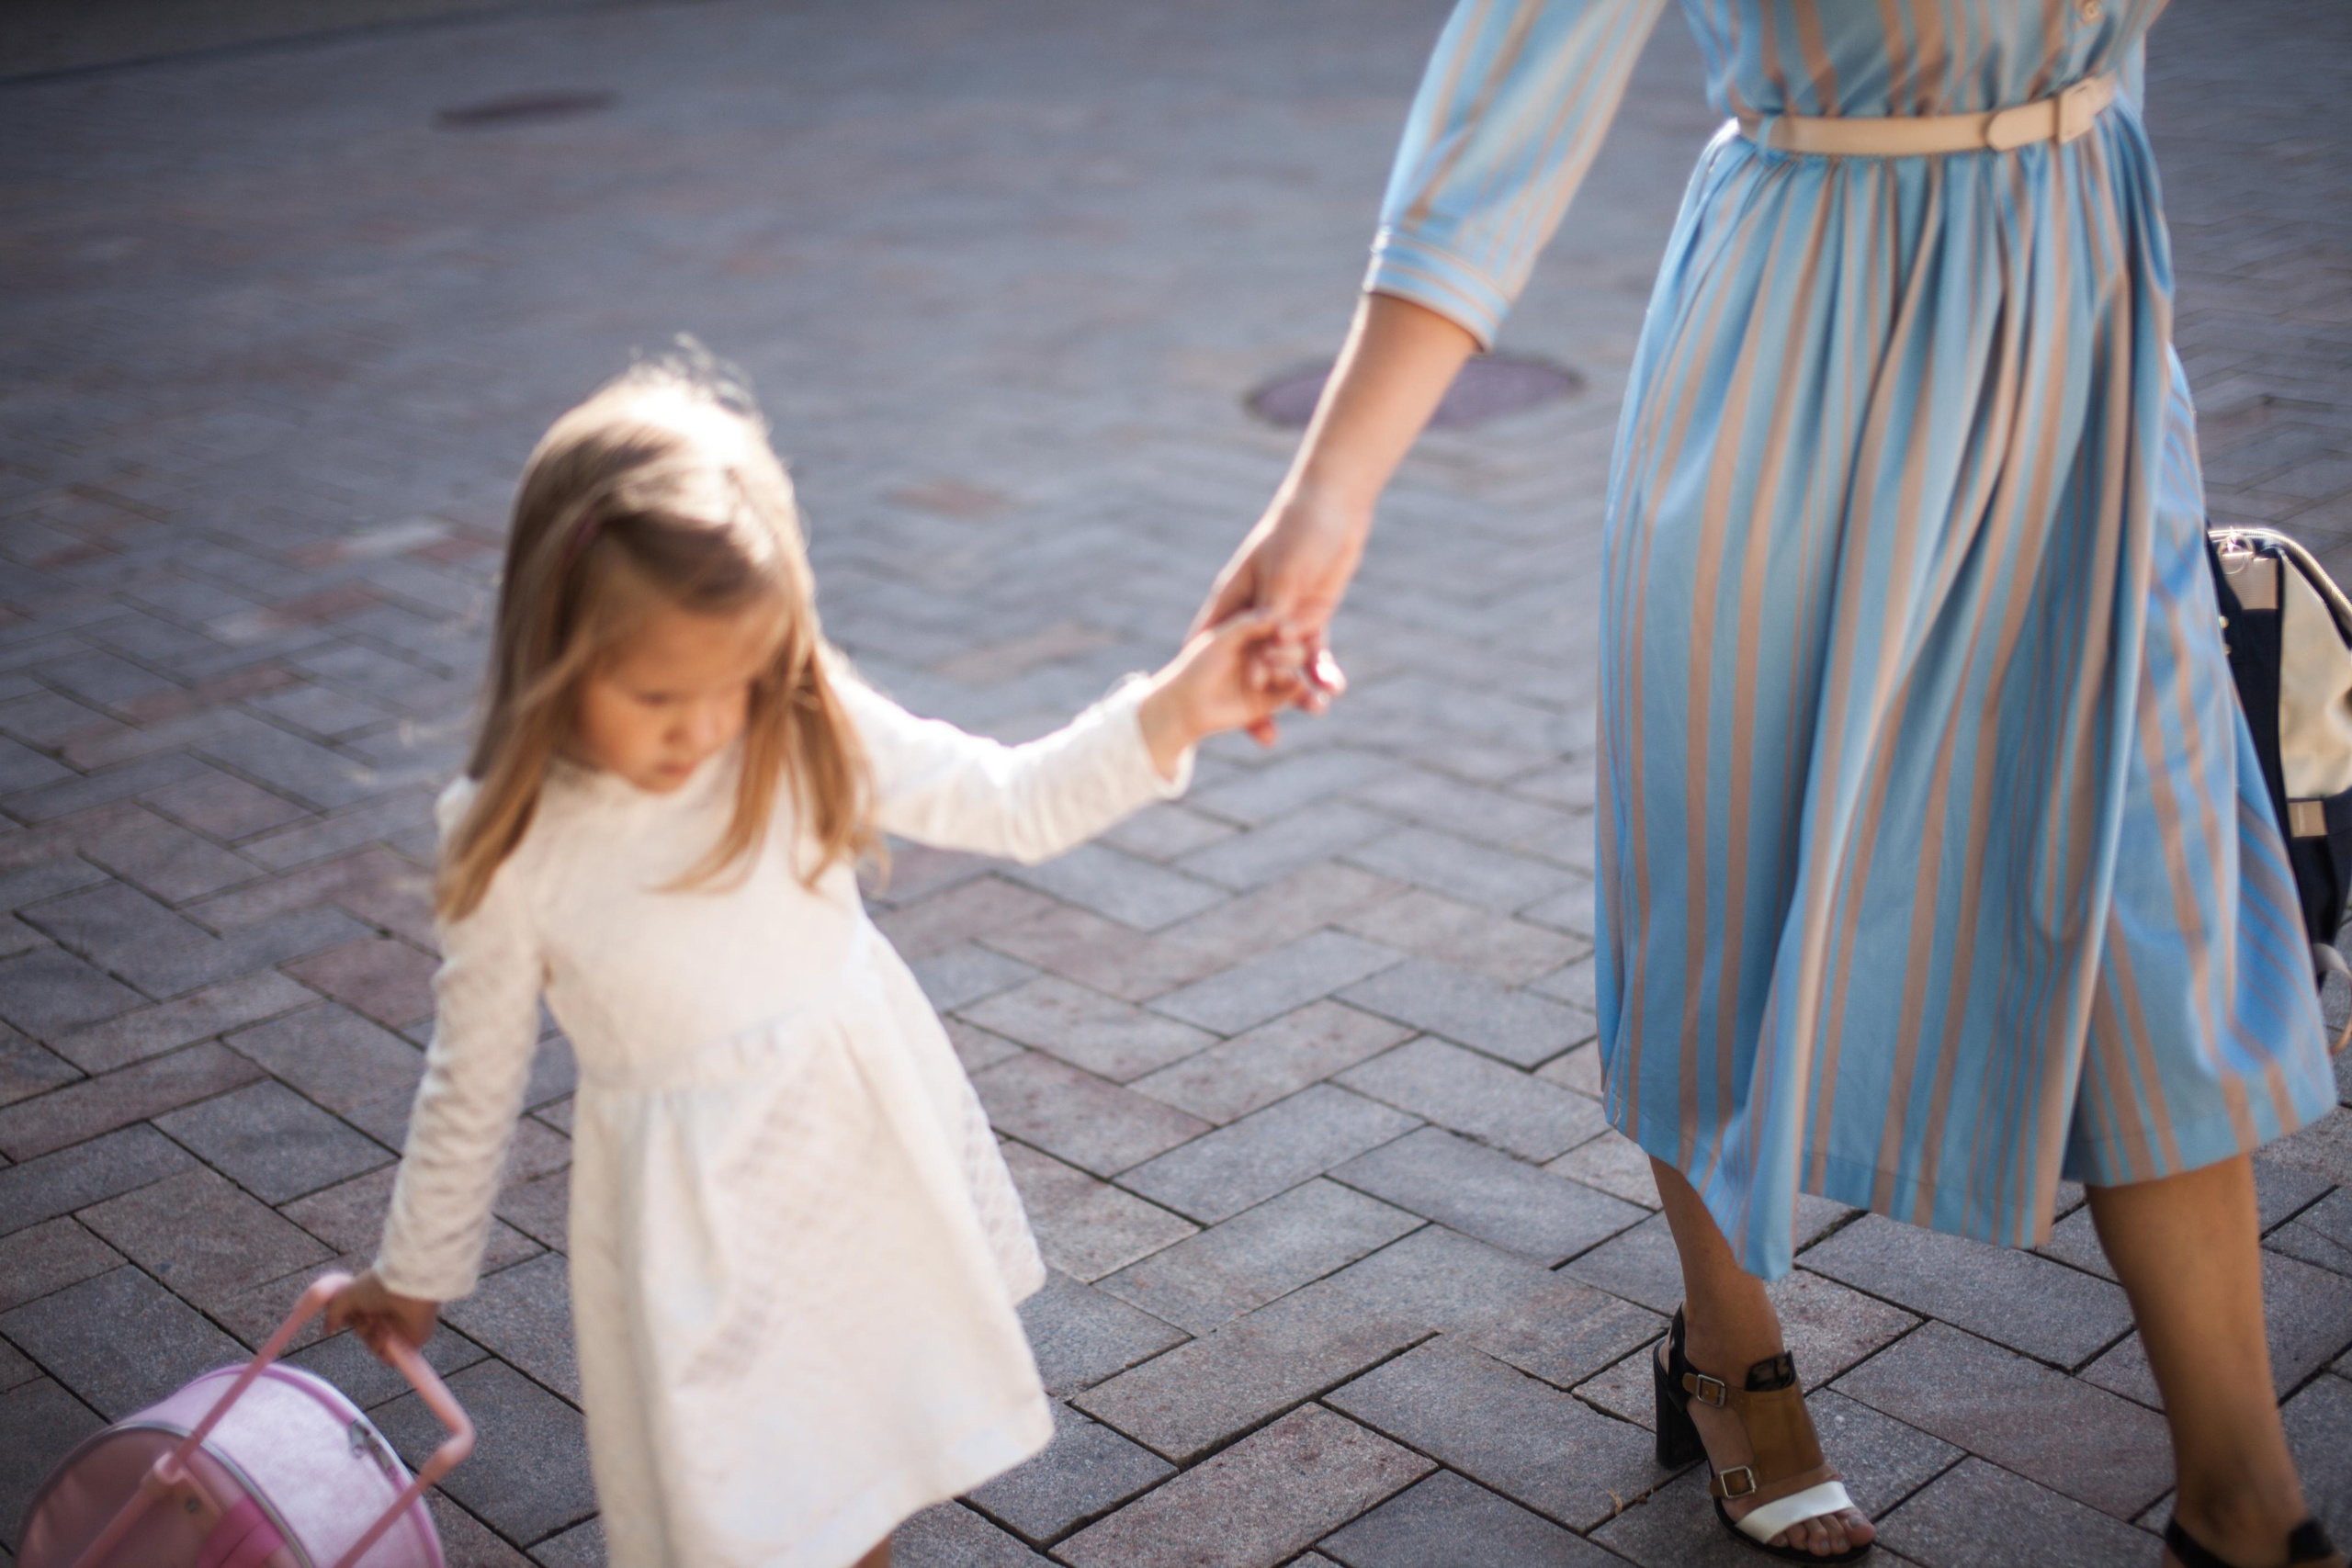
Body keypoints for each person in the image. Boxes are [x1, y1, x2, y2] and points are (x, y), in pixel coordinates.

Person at [1194, 3, 2344, 1564]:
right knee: (1733, 860)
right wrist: (1329, 495)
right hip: (1798, 338)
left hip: (2078, 340)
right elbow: (1504, 104)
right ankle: (1732, 1358)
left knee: (2153, 900)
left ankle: (2244, 1498)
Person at [325, 353, 1302, 1568]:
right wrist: (414, 1273)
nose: (697, 730)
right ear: (555, 646)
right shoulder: (512, 836)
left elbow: (1009, 798)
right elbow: (470, 1075)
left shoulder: (794, 723)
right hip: (697, 1231)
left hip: (855, 1168)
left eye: (727, 686)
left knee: (854, 1488)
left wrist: (1175, 708)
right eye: (653, 693)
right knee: (747, 1510)